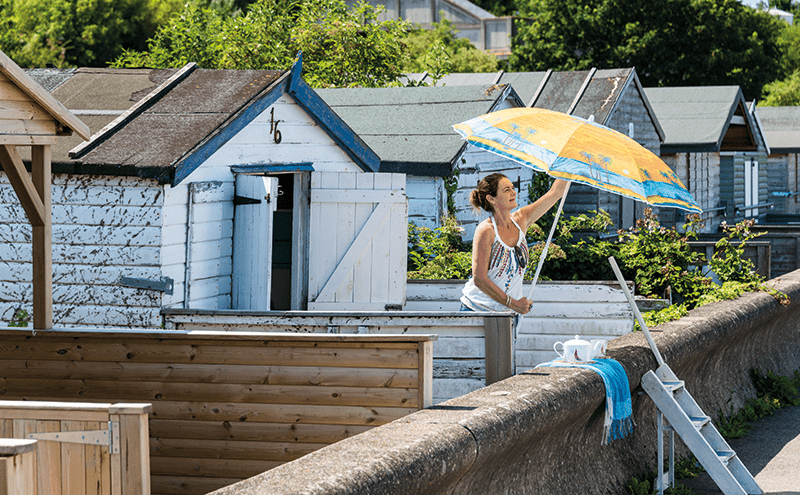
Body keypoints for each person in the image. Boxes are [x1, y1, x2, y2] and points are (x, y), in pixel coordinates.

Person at [461, 173, 568, 314]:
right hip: (477, 309)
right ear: (491, 198)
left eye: (512, 187)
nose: (514, 192)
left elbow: (556, 193)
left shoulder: (521, 219)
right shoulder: (486, 231)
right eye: (506, 190)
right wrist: (513, 304)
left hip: (507, 312)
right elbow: (479, 279)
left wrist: (572, 163)